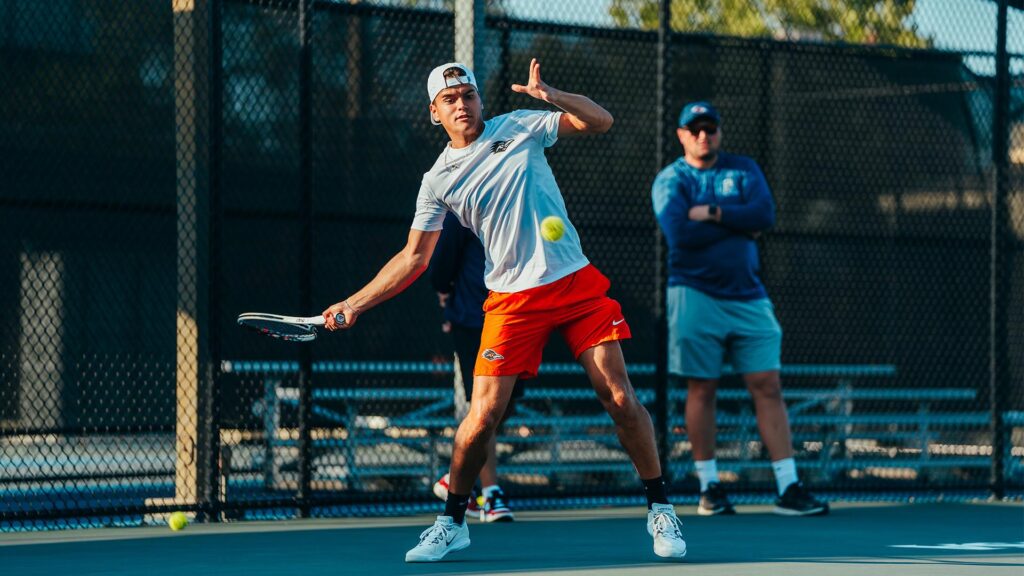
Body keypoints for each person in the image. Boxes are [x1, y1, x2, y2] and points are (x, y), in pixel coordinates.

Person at [323, 59, 687, 563]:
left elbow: (600, 121)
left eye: (468, 95)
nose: (462, 104)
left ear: (479, 99)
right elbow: (414, 258)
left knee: (620, 397)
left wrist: (551, 94)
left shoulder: (519, 126)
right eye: (449, 100)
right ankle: (452, 522)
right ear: (434, 113)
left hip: (575, 283)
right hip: (511, 301)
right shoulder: (437, 180)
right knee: (481, 418)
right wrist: (353, 304)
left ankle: (661, 509)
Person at [651, 101, 829, 517]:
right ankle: (709, 487)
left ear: (719, 132)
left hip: (749, 296)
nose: (703, 135)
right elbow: (680, 234)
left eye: (710, 128)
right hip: (694, 294)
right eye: (695, 129)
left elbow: (764, 214)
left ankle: (788, 487)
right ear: (681, 135)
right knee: (702, 388)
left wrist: (712, 213)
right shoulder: (672, 179)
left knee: (768, 385)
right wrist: (739, 225)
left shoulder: (744, 169)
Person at [429, 211, 522, 523]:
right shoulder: (462, 207)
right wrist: (446, 293)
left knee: (506, 404)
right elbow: (441, 265)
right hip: (473, 320)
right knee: (484, 406)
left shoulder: (522, 202)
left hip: (517, 316)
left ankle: (456, 478)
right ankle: (491, 493)